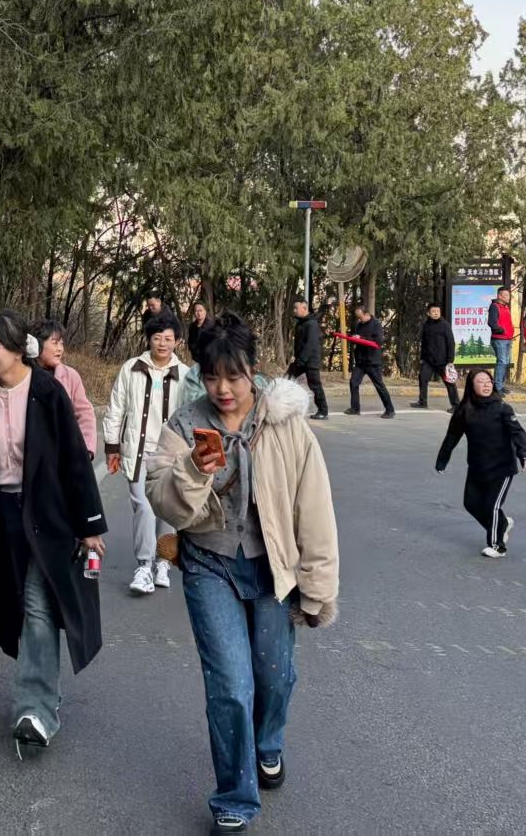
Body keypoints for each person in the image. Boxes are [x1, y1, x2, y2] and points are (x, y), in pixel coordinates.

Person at [146, 312, 339, 835]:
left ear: (253, 369)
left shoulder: (285, 424)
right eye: (212, 377)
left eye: (234, 376)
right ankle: (234, 796)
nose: (224, 389)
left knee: (274, 676)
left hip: (273, 567)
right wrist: (192, 470)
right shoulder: (184, 425)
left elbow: (313, 508)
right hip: (208, 564)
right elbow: (161, 498)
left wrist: (317, 589)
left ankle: (267, 743)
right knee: (231, 683)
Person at [0, 311, 106, 756]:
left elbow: (74, 460)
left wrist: (90, 524)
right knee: (17, 605)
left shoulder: (47, 393)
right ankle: (44, 693)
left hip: (47, 515)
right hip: (0, 515)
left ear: (19, 349)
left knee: (38, 605)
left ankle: (34, 710)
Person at [104, 314, 188, 594]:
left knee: (168, 509)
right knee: (143, 506)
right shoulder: (131, 368)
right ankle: (144, 565)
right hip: (137, 452)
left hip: (172, 454)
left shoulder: (186, 375)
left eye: (168, 339)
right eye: (157, 338)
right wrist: (112, 446)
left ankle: (163, 561)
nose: (162, 344)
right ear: (148, 339)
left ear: (177, 341)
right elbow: (116, 408)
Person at [435, 369, 526, 558]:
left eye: (489, 381)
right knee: (471, 503)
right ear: (471, 386)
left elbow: (517, 432)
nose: (486, 385)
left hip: (502, 467)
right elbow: (452, 436)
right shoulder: (464, 411)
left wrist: (524, 454)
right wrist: (442, 460)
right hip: (477, 466)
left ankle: (497, 546)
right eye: (481, 381)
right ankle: (502, 524)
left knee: (491, 506)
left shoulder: (502, 408)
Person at [31, 318, 98, 458]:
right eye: (54, 343)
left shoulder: (70, 376)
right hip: (31, 453)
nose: (60, 349)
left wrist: (86, 449)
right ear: (37, 344)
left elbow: (85, 413)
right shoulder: (23, 374)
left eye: (61, 343)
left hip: (62, 454)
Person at [343, 303, 395, 417]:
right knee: (353, 383)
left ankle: (390, 410)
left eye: (360, 317)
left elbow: (378, 341)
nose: (359, 319)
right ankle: (355, 408)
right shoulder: (358, 324)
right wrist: (353, 338)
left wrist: (361, 338)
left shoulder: (376, 324)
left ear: (366, 314)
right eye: (357, 317)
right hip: (360, 361)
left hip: (372, 361)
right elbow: (356, 338)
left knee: (379, 386)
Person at [285, 297, 329, 420]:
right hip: (300, 360)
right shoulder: (302, 322)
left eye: (296, 308)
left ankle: (323, 411)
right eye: (294, 308)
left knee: (315, 385)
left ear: (304, 308)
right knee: (287, 379)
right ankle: (284, 405)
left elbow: (311, 344)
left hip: (310, 361)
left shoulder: (312, 324)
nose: (294, 310)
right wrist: (297, 359)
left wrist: (301, 360)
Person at [412, 302, 458, 411]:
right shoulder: (426, 325)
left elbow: (451, 343)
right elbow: (424, 343)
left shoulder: (445, 325)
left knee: (450, 383)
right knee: (423, 378)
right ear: (428, 313)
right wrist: (422, 358)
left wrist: (450, 360)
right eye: (433, 311)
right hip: (428, 360)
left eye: (438, 311)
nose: (436, 313)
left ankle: (456, 405)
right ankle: (422, 402)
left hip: (443, 361)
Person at [486, 287, 516, 395]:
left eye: (509, 295)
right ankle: (497, 388)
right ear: (499, 296)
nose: (508, 297)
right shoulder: (494, 306)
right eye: (506, 295)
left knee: (505, 363)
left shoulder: (506, 307)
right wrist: (502, 330)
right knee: (502, 362)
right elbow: (491, 323)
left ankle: (501, 385)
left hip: (507, 339)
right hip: (499, 339)